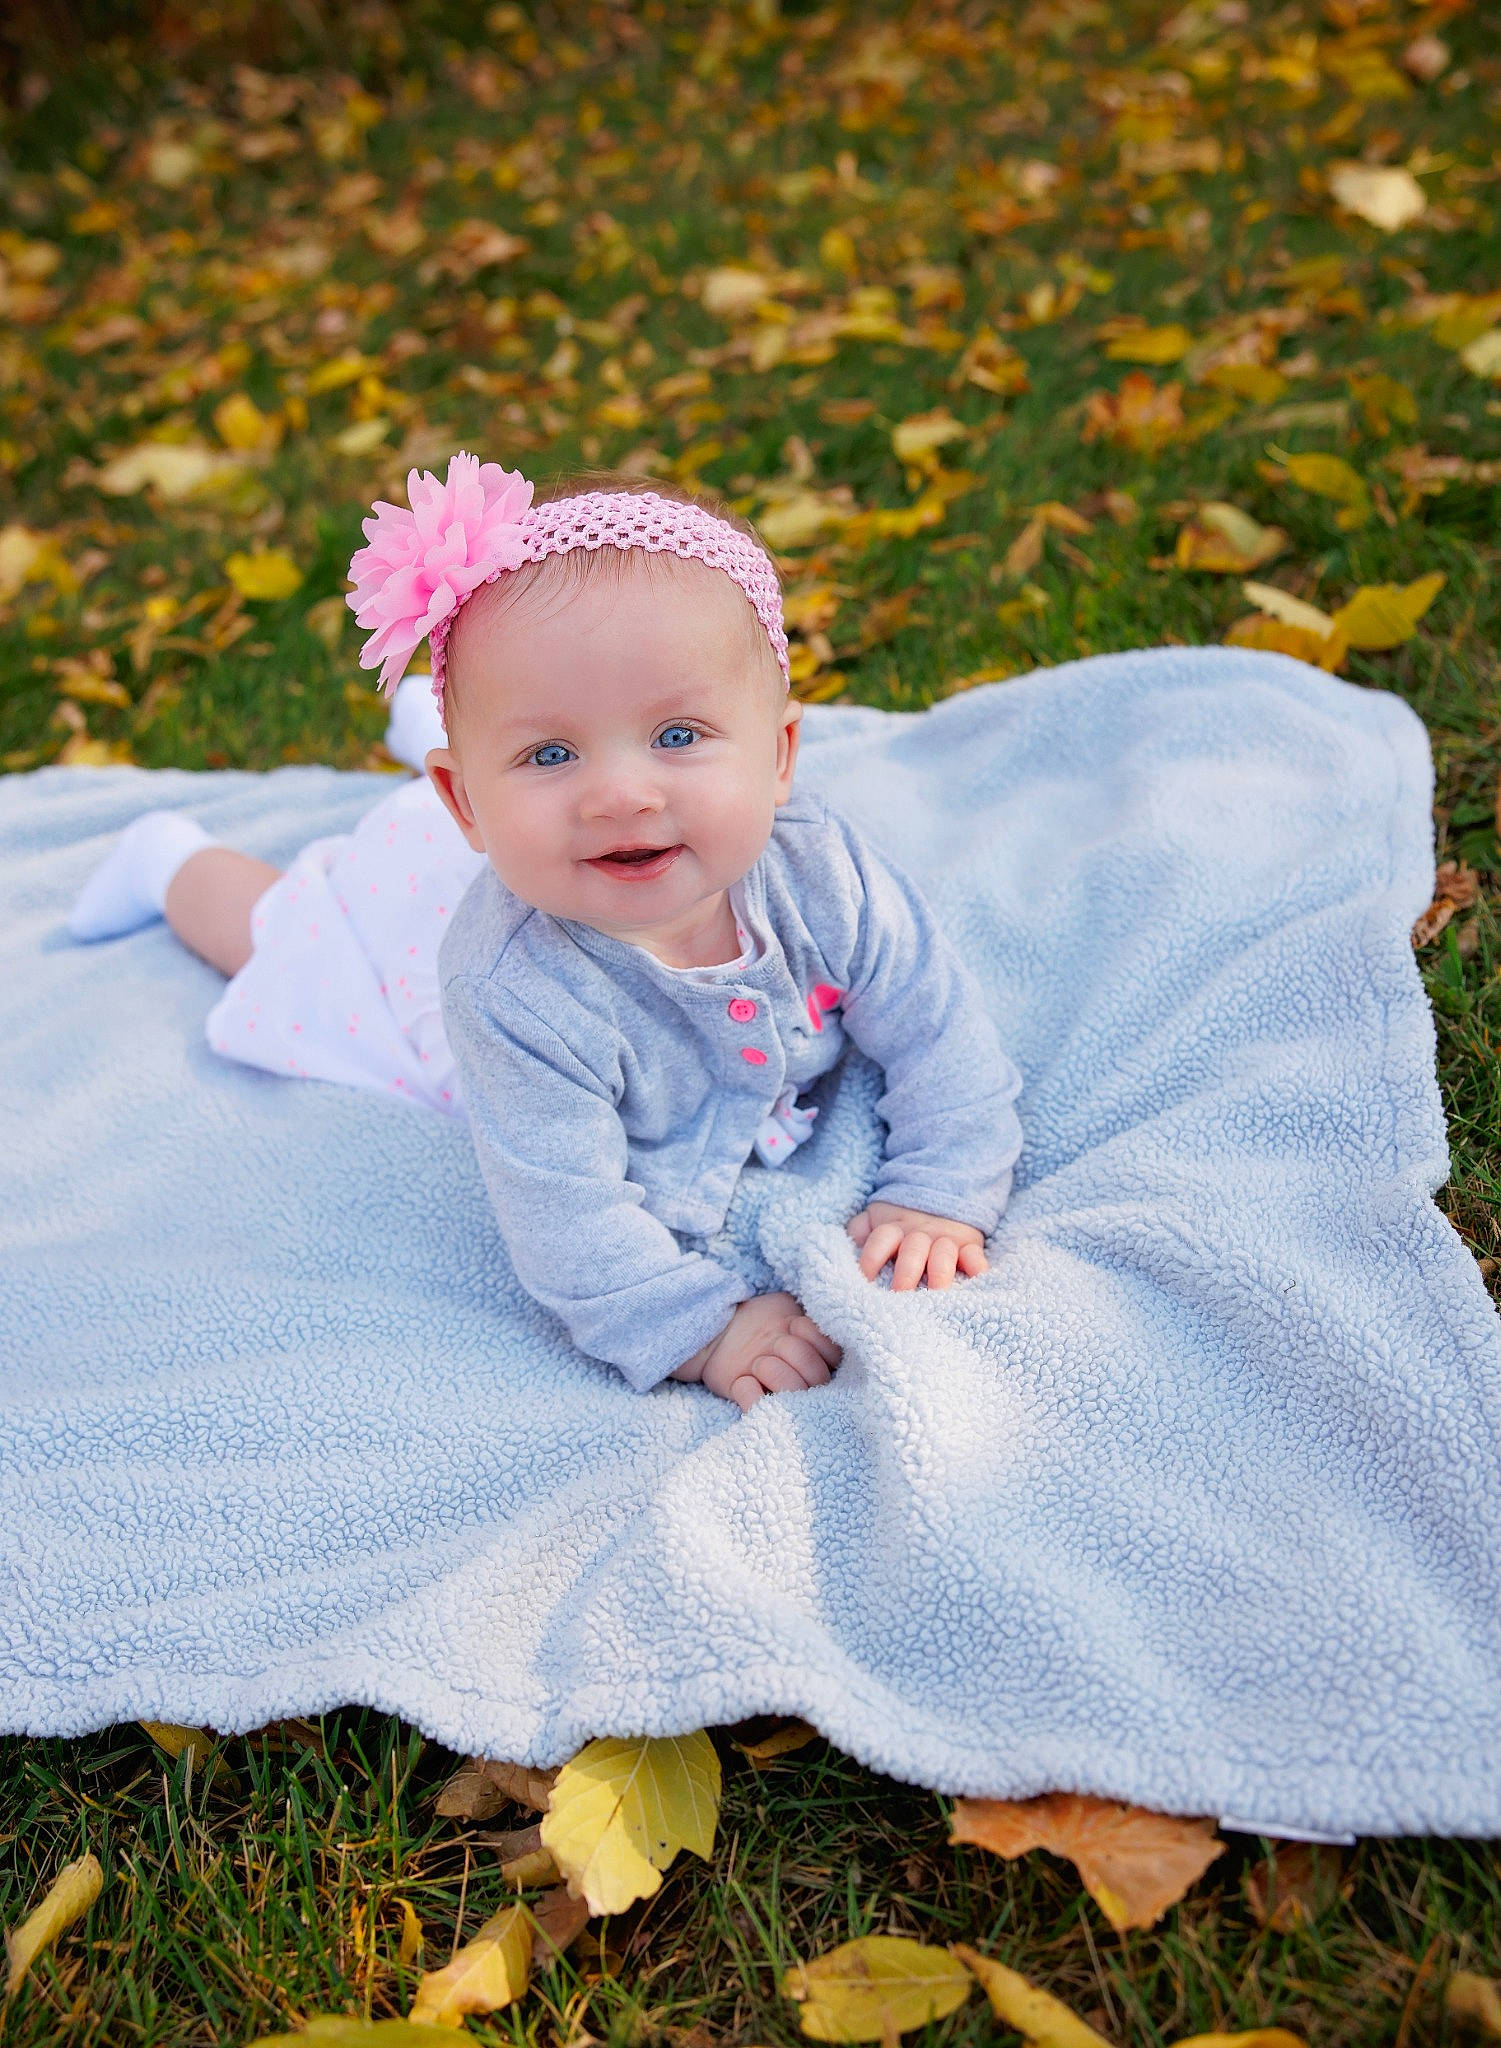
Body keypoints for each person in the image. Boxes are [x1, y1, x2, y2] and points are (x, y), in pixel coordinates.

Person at [68, 456, 1024, 1410]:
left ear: (779, 757)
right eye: (554, 752)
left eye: (679, 734)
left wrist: (940, 1185)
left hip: (526, 838)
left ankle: (485, 729)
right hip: (422, 916)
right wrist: (702, 1327)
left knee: (535, 705)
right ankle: (172, 861)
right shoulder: (508, 994)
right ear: (464, 804)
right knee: (294, 947)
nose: (619, 794)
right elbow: (565, 1217)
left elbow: (937, 1028)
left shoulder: (823, 874)